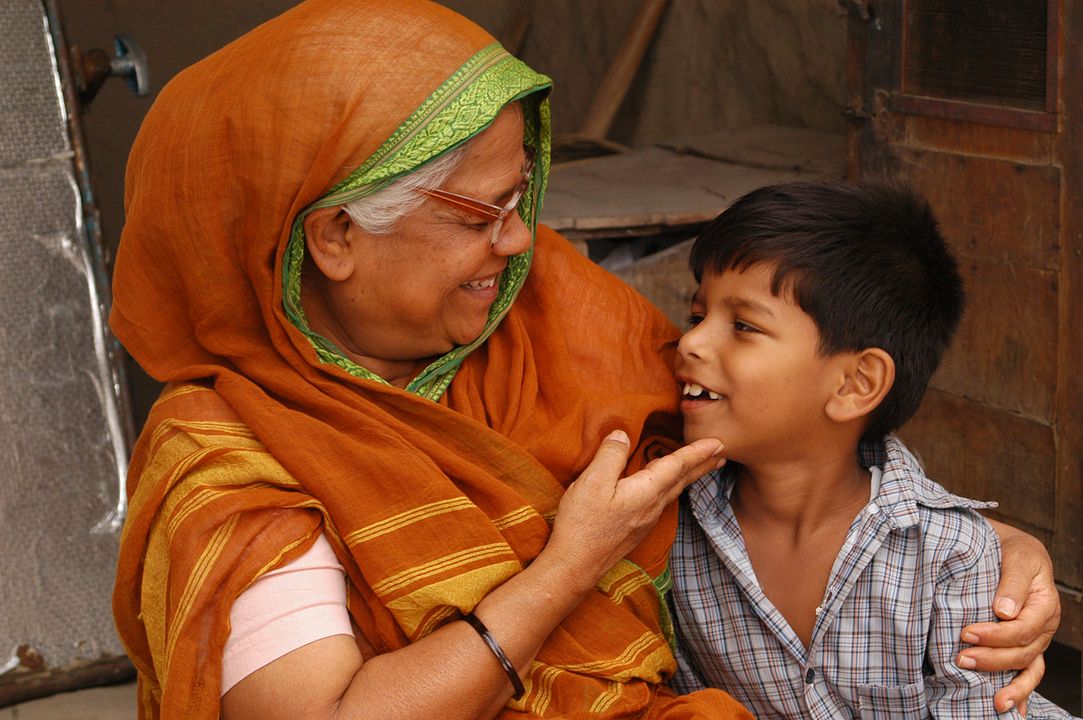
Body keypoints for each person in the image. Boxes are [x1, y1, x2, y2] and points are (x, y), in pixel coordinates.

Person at [107, 2, 1059, 719]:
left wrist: (991, 559)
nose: (522, 242)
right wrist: (569, 564)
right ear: (336, 236)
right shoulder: (229, 461)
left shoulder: (542, 314)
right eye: (483, 214)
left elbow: (787, 441)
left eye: (524, 195)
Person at [668, 179, 1074, 718]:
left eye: (743, 326)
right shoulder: (671, 523)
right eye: (698, 317)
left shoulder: (952, 555)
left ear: (855, 384)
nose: (690, 342)